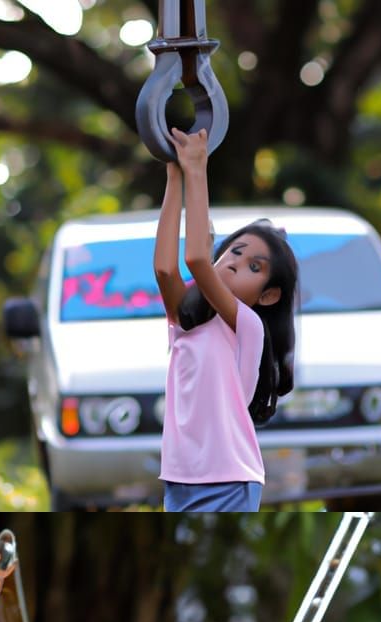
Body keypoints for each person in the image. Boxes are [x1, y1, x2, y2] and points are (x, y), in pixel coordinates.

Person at [154, 126, 299, 511]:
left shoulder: (247, 326)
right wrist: (174, 177)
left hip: (230, 478)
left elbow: (196, 259)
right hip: (179, 477)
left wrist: (197, 169)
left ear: (267, 295)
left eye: (254, 265)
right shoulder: (186, 322)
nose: (235, 263)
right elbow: (166, 269)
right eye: (234, 251)